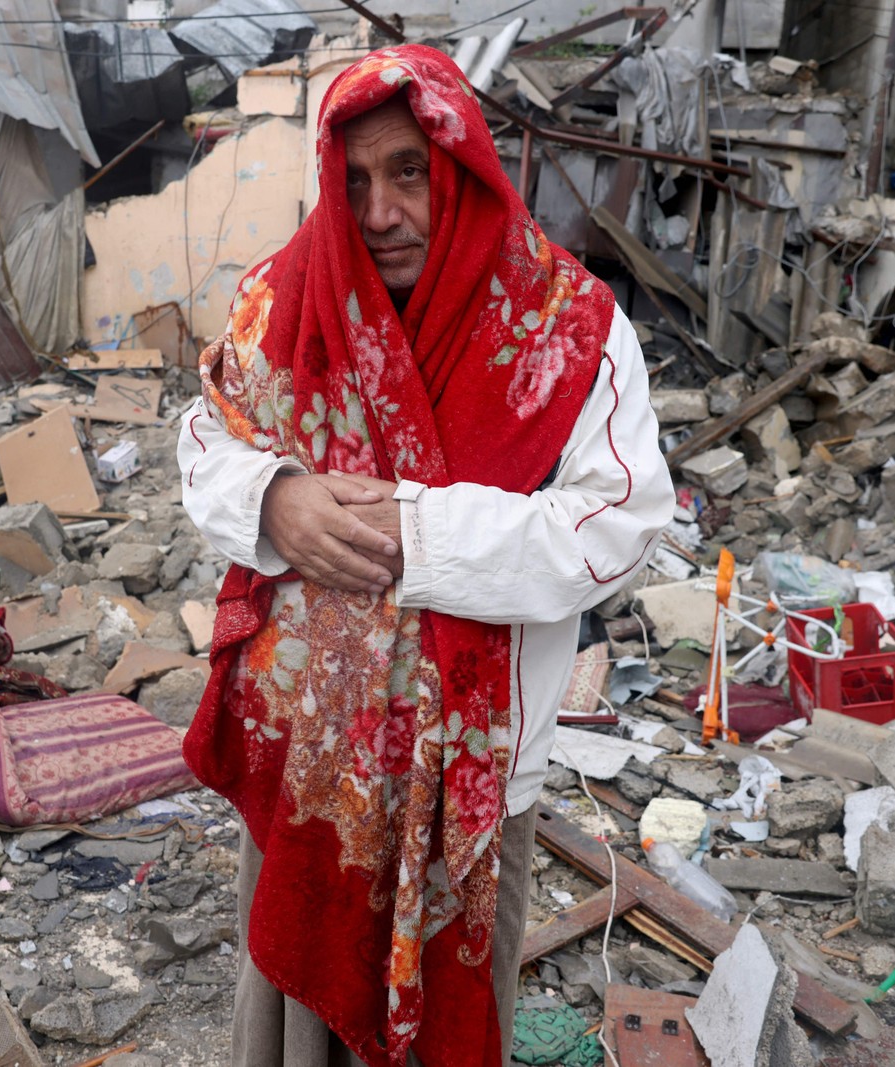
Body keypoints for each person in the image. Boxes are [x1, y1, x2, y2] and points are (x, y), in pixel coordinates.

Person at [177, 44, 674, 1067]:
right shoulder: (284, 300)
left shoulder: (563, 326)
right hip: (308, 761)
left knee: (445, 1020)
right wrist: (275, 499)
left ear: (460, 165)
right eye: (354, 179)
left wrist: (419, 533)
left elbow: (620, 519)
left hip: (476, 778)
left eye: (408, 171)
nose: (379, 211)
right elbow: (204, 444)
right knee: (287, 1017)